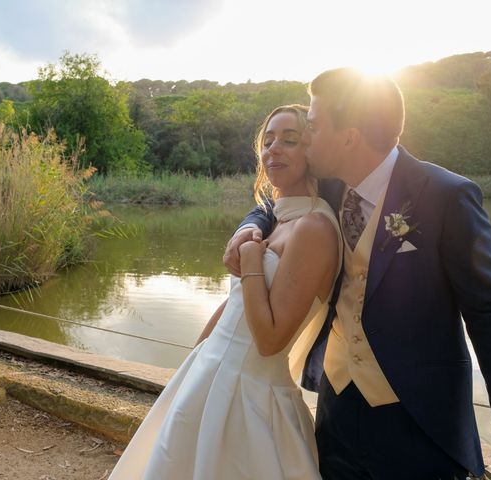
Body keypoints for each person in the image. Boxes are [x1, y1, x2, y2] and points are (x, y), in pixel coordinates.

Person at [224, 69, 491, 480]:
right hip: (336, 410)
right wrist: (245, 229)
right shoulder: (330, 186)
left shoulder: (446, 196)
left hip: (421, 422)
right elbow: (273, 206)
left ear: (349, 137)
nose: (305, 138)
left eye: (313, 126)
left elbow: (489, 312)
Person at [108, 104, 342, 480]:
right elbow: (235, 305)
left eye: (290, 140)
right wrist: (193, 362)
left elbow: (269, 340)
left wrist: (251, 258)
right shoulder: (277, 220)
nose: (273, 149)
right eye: (267, 142)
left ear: (314, 150)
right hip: (209, 374)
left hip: (249, 393)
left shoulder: (314, 228)